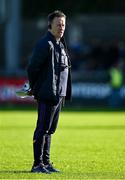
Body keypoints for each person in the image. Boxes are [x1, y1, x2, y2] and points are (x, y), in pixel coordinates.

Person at [27, 10, 72, 174]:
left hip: (58, 95)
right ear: (50, 26)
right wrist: (35, 88)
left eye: (63, 24)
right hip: (47, 94)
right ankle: (37, 164)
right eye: (58, 24)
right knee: (42, 129)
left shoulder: (60, 44)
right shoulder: (45, 44)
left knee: (50, 130)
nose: (61, 27)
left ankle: (45, 162)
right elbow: (32, 68)